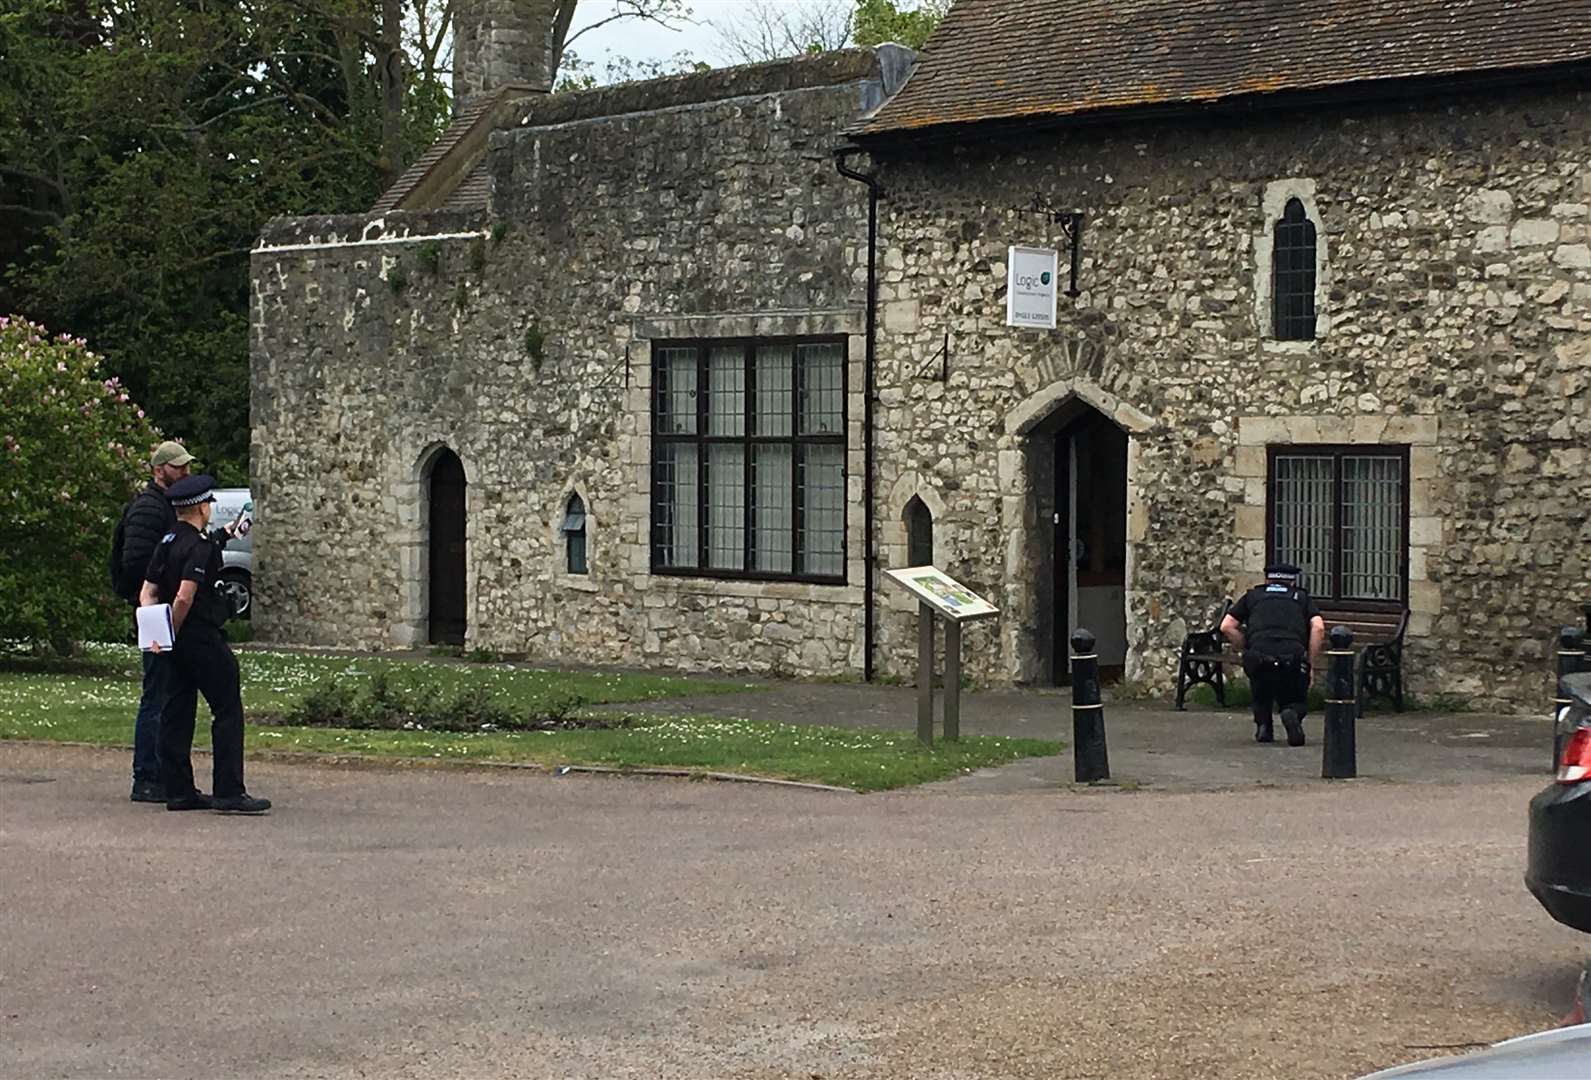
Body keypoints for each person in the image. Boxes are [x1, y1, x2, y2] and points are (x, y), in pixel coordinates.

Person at [140, 474, 271, 814]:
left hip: (170, 641)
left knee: (177, 710)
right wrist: (175, 629)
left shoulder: (168, 541)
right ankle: (229, 790)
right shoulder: (196, 547)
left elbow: (148, 590)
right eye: (208, 504)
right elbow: (185, 595)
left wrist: (156, 634)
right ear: (200, 506)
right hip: (198, 634)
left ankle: (179, 790)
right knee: (227, 707)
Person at [113, 440, 193, 802]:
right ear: (159, 469)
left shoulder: (166, 507)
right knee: (156, 693)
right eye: (178, 467)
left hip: (158, 605)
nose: (185, 473)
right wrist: (161, 585)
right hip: (153, 608)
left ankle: (162, 770)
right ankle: (147, 774)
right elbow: (135, 562)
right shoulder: (148, 508)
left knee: (166, 690)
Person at [1220, 562, 1325, 747]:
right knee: (1296, 696)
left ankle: (1263, 727)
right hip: (1292, 655)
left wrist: (1246, 647)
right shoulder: (1301, 597)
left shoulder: (1253, 596)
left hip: (1259, 654)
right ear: (1292, 581)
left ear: (1268, 579)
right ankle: (1291, 712)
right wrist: (1310, 662)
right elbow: (1318, 628)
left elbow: (1226, 626)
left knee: (1261, 689)